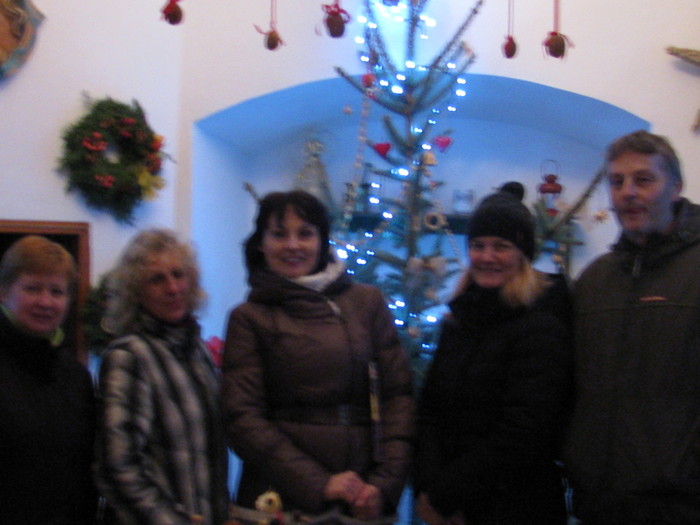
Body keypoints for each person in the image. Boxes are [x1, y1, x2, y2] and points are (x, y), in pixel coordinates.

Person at [222, 190, 414, 521]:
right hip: (280, 497)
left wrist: (383, 486)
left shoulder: (367, 303)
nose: (293, 245)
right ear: (261, 244)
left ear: (322, 241)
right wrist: (319, 484)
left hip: (361, 498)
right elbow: (242, 419)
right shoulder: (249, 318)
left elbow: (397, 398)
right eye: (279, 234)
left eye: (305, 233)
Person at [414, 182, 573, 525]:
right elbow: (430, 411)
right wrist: (429, 486)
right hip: (453, 506)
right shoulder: (460, 319)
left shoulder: (541, 324)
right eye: (478, 245)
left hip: (516, 508)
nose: (487, 257)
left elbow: (524, 433)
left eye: (501, 246)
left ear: (522, 254)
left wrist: (445, 495)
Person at [564, 130, 700, 524]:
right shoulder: (594, 280)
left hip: (680, 505)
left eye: (643, 179)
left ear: (675, 188)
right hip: (598, 501)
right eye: (617, 181)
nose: (627, 192)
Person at [94, 229, 229, 525]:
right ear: (136, 291)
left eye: (178, 274)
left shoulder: (199, 353)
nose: (173, 288)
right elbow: (119, 468)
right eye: (157, 279)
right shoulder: (129, 356)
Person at [0, 235, 97, 524]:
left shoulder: (76, 377)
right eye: (32, 288)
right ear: (3, 292)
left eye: (57, 291)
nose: (46, 302)